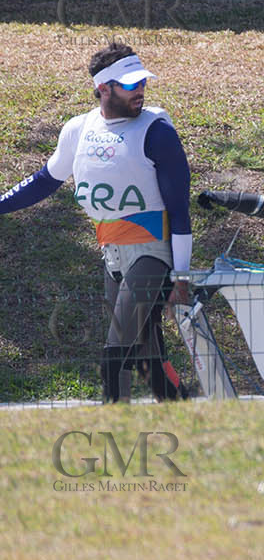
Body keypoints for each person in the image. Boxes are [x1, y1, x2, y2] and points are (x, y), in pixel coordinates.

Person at [0, 45, 194, 402]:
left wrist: (181, 275)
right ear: (103, 88)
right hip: (112, 254)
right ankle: (188, 413)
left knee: (116, 347)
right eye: (129, 85)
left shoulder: (158, 132)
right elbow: (45, 180)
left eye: (142, 83)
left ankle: (112, 428)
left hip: (153, 251)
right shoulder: (79, 128)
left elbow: (179, 210)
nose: (140, 91)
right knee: (144, 353)